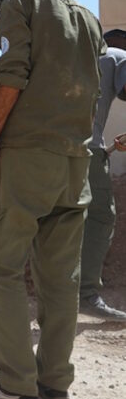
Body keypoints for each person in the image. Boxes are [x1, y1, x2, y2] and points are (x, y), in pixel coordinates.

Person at [0, 0, 105, 399]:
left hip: (28, 158)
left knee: (1, 266)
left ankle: (16, 387)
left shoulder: (18, 3)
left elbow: (12, 73)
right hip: (74, 162)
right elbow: (93, 85)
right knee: (61, 279)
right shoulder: (86, 16)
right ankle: (54, 384)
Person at [79, 28, 126, 321]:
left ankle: (54, 294)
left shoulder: (78, 56)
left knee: (59, 217)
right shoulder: (119, 56)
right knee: (100, 216)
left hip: (44, 148)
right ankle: (86, 295)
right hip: (86, 147)